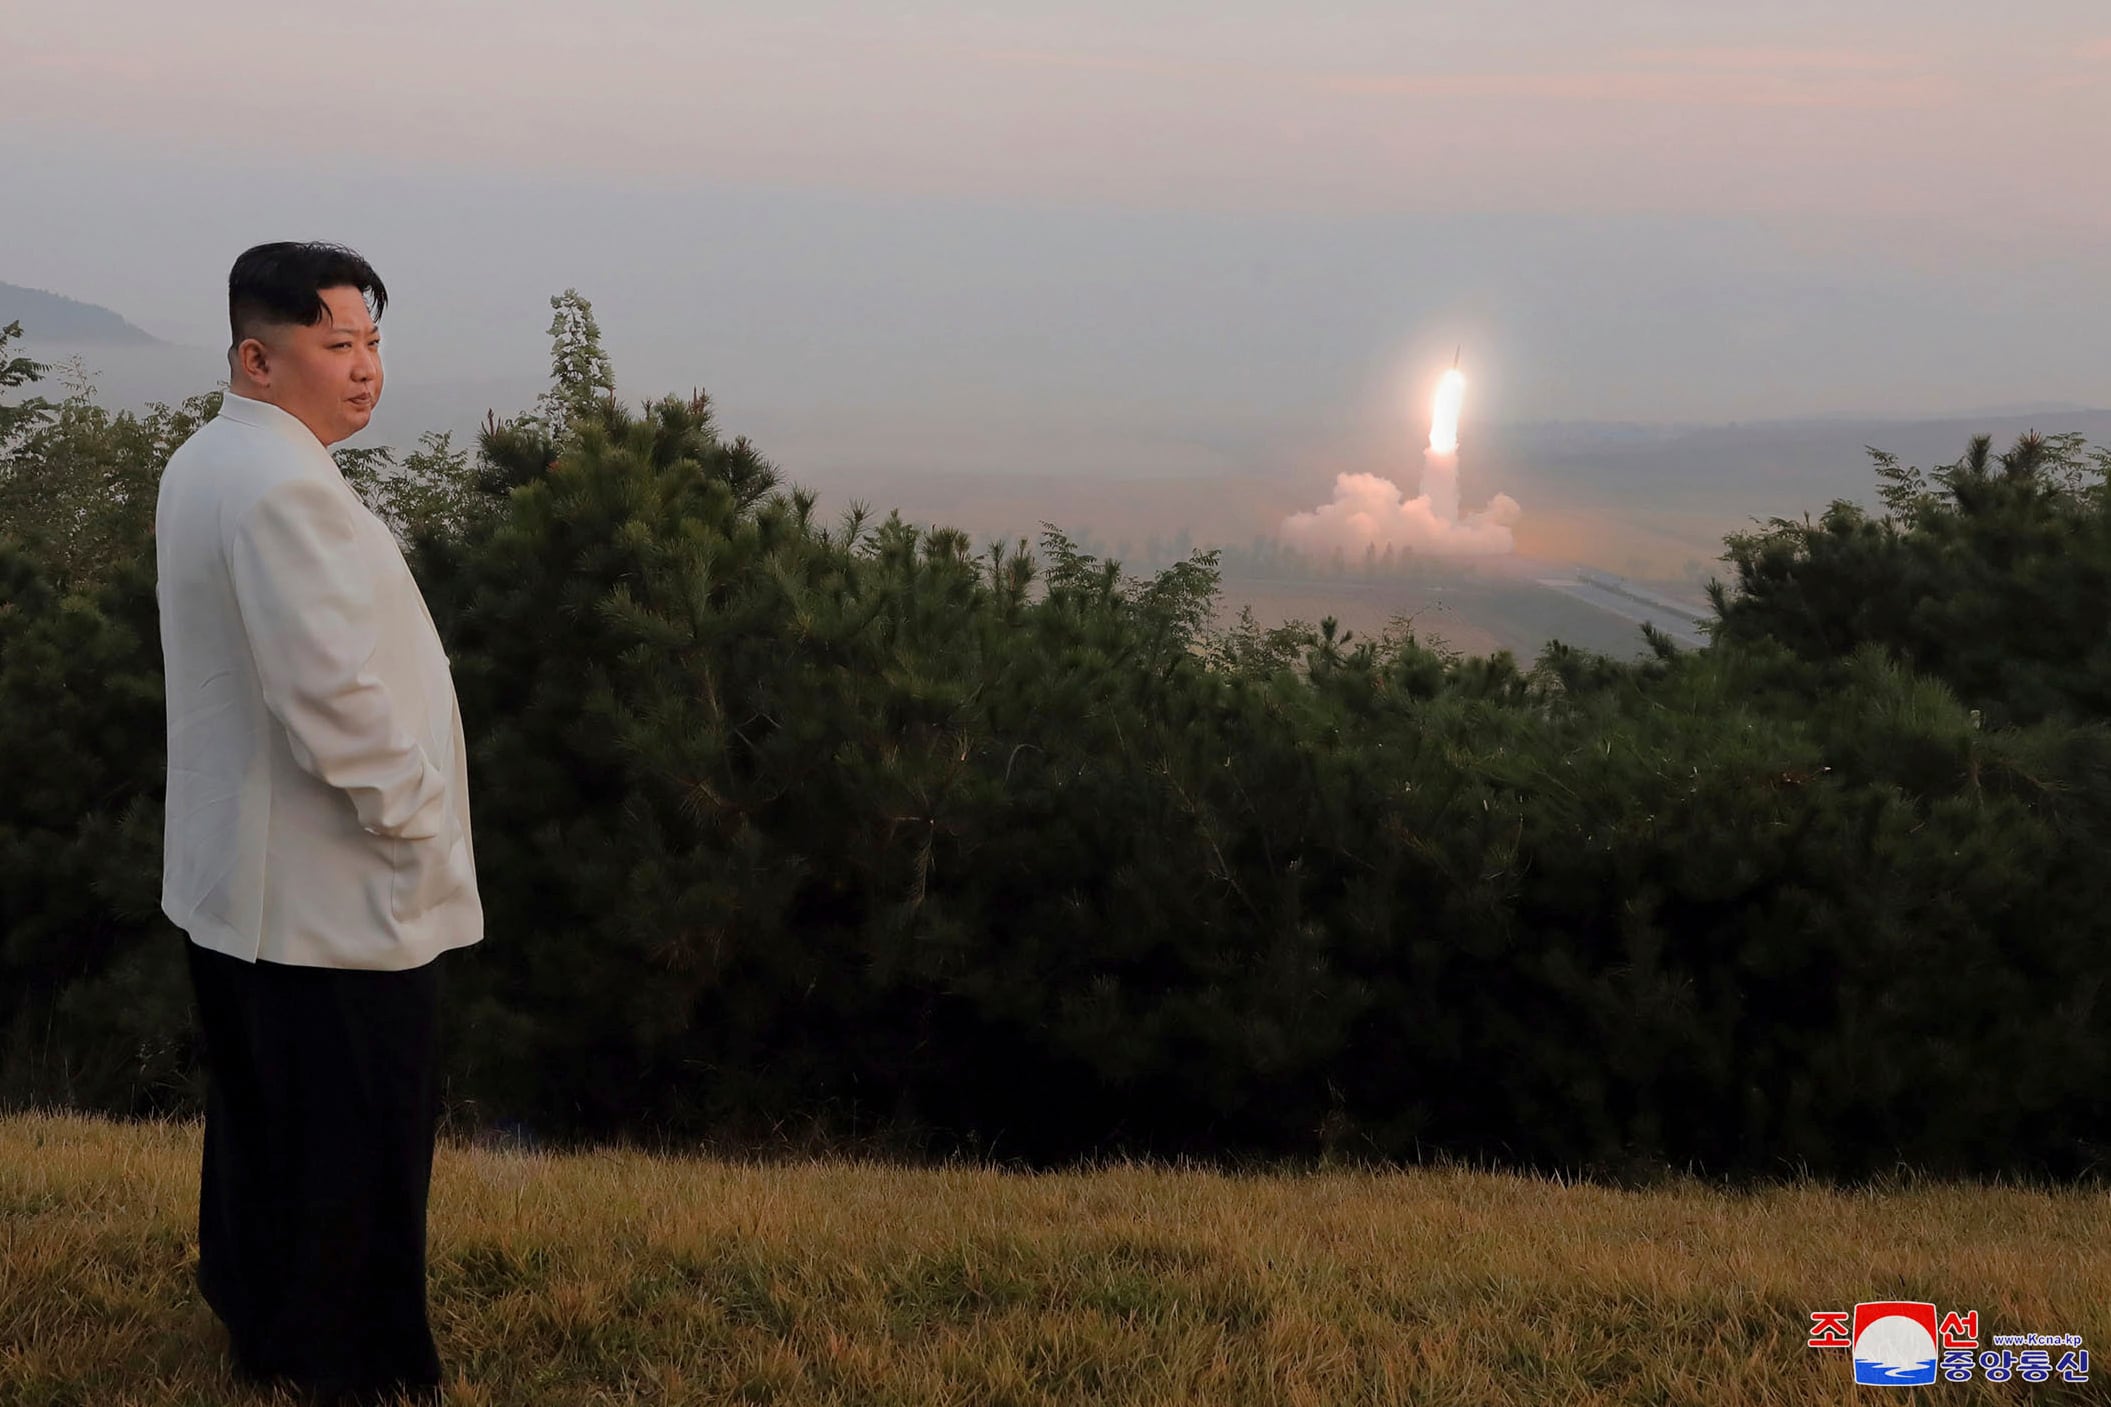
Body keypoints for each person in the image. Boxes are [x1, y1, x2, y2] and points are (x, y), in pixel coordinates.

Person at [155, 241, 483, 1406]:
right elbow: (331, 697)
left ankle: (268, 1326)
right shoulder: (282, 485)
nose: (364, 371)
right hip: (326, 882)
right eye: (335, 345)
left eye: (373, 343)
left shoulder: (209, 459)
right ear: (258, 355)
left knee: (268, 1118)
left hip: (239, 879)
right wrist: (420, 822)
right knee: (362, 1128)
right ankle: (361, 1366)